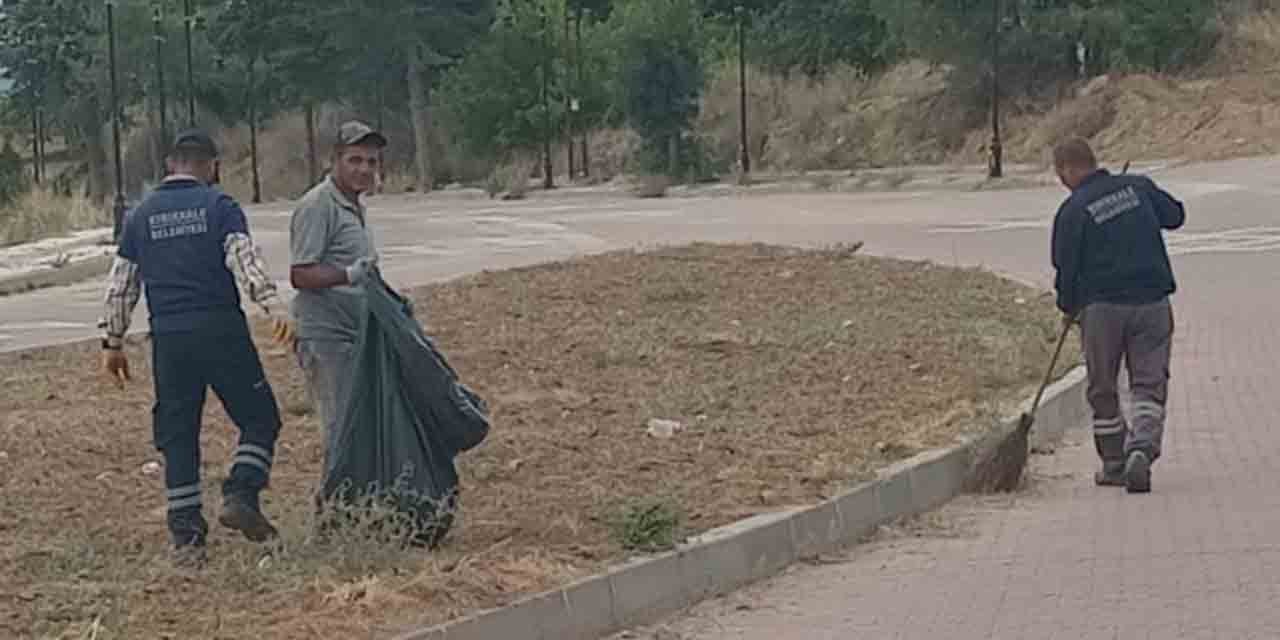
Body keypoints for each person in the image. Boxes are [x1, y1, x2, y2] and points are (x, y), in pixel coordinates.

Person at [101, 130, 293, 566]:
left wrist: (112, 342)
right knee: (260, 418)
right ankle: (241, 492)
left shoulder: (141, 215)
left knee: (178, 435)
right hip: (220, 329)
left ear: (171, 164)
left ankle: (187, 540)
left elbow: (122, 284)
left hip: (169, 339)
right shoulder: (219, 207)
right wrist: (272, 306)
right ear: (211, 166)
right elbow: (244, 261)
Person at [1050, 138, 1185, 494]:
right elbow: (1176, 216)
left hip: (1102, 310)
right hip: (1152, 302)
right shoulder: (1138, 186)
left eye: (1059, 174)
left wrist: (1067, 307)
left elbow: (1065, 268)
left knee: (1103, 387)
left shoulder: (1072, 210)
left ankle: (1113, 463)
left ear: (1067, 169)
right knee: (1148, 382)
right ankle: (1141, 447)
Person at [275, 120, 386, 496]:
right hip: (325, 335)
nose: (364, 170)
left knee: (362, 422)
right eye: (355, 160)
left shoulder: (355, 207)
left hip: (356, 331)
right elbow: (300, 273)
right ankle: (335, 514)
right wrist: (348, 275)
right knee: (341, 425)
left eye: (371, 162)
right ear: (335, 160)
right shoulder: (317, 206)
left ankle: (362, 504)